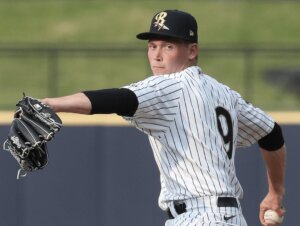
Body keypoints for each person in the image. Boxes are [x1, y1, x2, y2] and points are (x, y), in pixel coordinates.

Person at [42, 10, 286, 226]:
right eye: (152, 46)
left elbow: (118, 98)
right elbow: (271, 132)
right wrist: (275, 193)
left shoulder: (172, 86)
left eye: (168, 46)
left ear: (192, 51)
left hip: (201, 217)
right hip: (226, 217)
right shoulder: (224, 93)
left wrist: (53, 104)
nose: (156, 55)